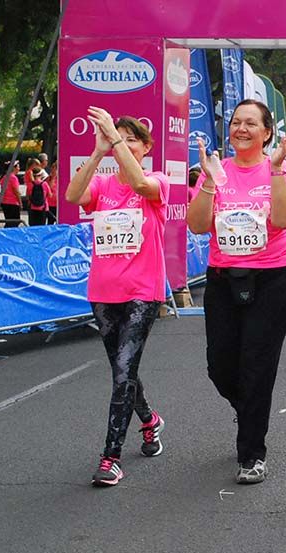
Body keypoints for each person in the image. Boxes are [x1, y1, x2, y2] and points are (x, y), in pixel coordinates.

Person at [187, 99, 286, 484]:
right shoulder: (218, 171)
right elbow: (198, 225)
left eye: (252, 123)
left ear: (267, 132)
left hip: (274, 280)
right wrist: (207, 180)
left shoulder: (279, 171)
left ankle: (252, 454)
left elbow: (284, 219)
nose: (242, 129)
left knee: (256, 366)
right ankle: (248, 406)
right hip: (223, 279)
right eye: (236, 122)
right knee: (220, 368)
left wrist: (279, 171)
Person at [64, 108, 169, 486]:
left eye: (130, 140)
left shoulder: (156, 180)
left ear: (145, 147)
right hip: (103, 291)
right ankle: (150, 420)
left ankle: (111, 457)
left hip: (143, 292)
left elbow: (140, 185)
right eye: (117, 140)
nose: (120, 145)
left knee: (124, 371)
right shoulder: (104, 186)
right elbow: (73, 194)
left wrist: (115, 136)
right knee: (122, 371)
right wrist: (97, 152)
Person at [0, 161, 23, 226]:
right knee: (15, 222)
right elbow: (16, 191)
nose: (19, 169)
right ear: (13, 168)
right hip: (13, 203)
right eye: (18, 167)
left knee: (9, 221)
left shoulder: (4, 177)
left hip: (5, 202)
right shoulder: (13, 178)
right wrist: (20, 203)